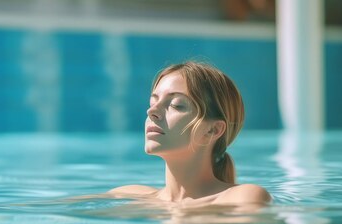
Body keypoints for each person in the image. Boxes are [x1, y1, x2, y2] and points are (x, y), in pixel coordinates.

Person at [110, 61, 271, 206]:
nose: (151, 111)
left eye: (176, 105)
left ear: (212, 130)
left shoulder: (243, 198)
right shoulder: (128, 195)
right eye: (153, 102)